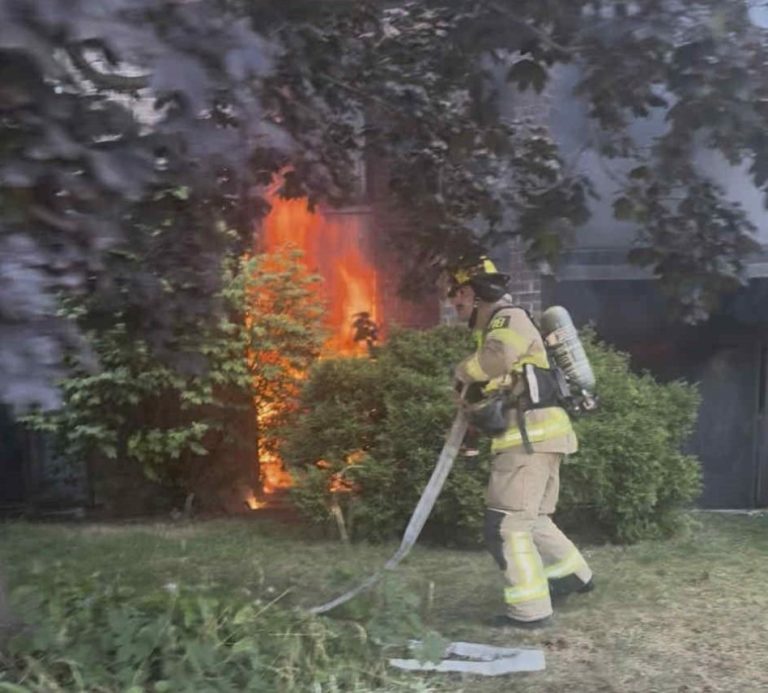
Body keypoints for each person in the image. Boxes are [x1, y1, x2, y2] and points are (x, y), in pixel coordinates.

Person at [448, 256, 593, 629]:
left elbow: (495, 361)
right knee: (534, 519)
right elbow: (505, 382)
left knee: (506, 525)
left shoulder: (506, 319)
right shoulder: (504, 324)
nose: (455, 304)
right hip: (545, 436)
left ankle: (530, 611)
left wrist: (461, 373)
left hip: (529, 441)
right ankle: (574, 575)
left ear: (471, 292)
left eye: (457, 295)